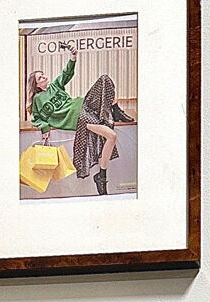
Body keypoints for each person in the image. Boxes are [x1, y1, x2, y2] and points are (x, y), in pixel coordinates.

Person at [25, 43, 134, 195]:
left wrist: (73, 57)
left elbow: (66, 74)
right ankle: (101, 176)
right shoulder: (38, 99)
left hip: (84, 104)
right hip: (80, 117)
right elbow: (36, 118)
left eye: (43, 74)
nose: (44, 77)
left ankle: (116, 111)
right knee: (111, 136)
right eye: (40, 77)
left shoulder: (55, 86)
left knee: (104, 80)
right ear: (36, 84)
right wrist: (44, 127)